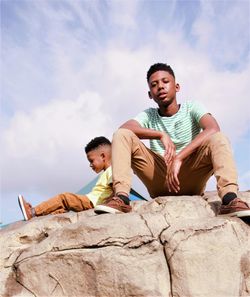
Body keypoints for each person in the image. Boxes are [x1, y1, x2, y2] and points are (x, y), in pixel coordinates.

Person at [94, 63, 250, 217]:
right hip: (160, 179)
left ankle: (230, 199)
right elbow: (125, 128)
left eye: (165, 81)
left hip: (190, 176)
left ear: (177, 87)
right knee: (122, 134)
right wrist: (160, 135)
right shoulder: (149, 115)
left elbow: (213, 128)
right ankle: (121, 198)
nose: (160, 87)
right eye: (154, 85)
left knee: (218, 138)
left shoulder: (192, 107)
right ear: (150, 94)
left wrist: (179, 157)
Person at [18, 136, 117, 220]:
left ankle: (32, 212)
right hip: (92, 202)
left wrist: (107, 205)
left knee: (64, 198)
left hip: (91, 202)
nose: (90, 165)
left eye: (91, 161)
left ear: (103, 156)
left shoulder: (113, 170)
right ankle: (38, 217)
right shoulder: (107, 172)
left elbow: (116, 187)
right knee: (61, 209)